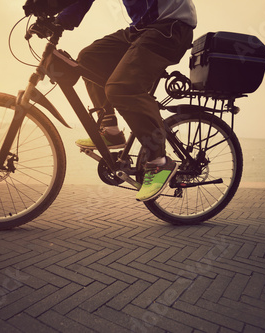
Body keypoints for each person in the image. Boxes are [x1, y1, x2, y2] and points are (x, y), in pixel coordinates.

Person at [55, 0, 197, 201]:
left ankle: (158, 161)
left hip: (170, 28)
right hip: (142, 29)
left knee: (121, 88)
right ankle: (111, 131)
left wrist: (53, 11)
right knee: (89, 59)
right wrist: (58, 20)